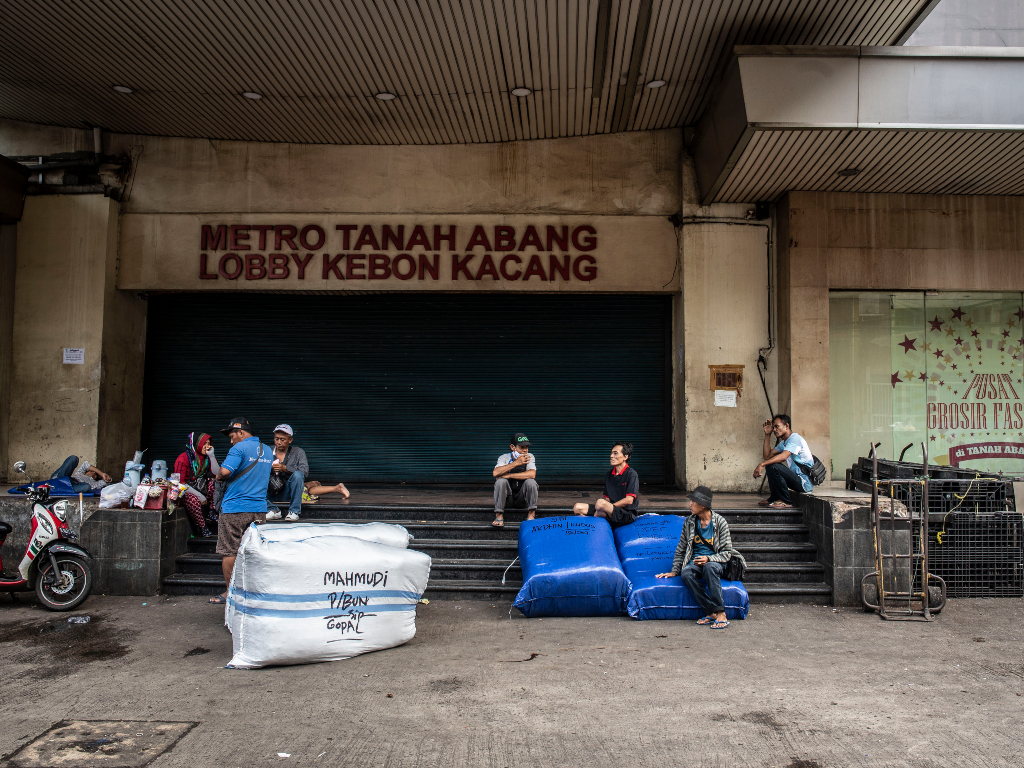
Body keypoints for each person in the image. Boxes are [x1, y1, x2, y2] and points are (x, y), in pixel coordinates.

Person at [204, 417, 273, 605]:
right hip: (258, 510)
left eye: (232, 435)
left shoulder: (239, 448)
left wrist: (218, 476)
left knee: (229, 551)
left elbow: (225, 472)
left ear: (241, 432)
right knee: (252, 551)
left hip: (235, 509)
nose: (230, 440)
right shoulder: (267, 450)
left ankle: (230, 593)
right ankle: (252, 593)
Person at [656, 486, 744, 630]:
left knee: (709, 567)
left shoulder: (720, 522)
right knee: (687, 573)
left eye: (693, 501)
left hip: (716, 562)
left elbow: (727, 553)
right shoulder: (690, 522)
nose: (690, 504)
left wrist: (709, 559)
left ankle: (721, 612)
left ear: (703, 505)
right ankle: (711, 612)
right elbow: (681, 548)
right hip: (696, 562)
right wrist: (675, 570)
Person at [265, 424, 350, 521]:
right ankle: (273, 510)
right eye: (276, 439)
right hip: (269, 492)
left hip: (288, 491)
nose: (278, 442)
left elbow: (304, 472)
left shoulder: (298, 452)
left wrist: (284, 468)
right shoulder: (267, 451)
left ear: (290, 440)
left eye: (282, 439)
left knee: (298, 474)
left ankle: (294, 511)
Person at [572, 441, 639, 528]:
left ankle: (600, 522)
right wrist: (605, 506)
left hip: (626, 514)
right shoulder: (609, 475)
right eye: (611, 453)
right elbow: (607, 499)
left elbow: (629, 500)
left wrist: (606, 506)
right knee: (578, 507)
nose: (611, 456)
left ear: (625, 457)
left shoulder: (631, 474)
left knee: (600, 504)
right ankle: (588, 528)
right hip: (609, 509)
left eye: (615, 453)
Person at [753, 414, 814, 508]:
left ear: (786, 426)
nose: (774, 430)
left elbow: (783, 457)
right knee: (771, 464)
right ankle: (774, 497)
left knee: (774, 466)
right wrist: (767, 435)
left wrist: (761, 464)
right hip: (797, 479)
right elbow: (767, 455)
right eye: (773, 427)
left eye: (776, 426)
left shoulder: (795, 439)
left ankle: (786, 501)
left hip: (804, 483)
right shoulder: (784, 443)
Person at [173, 432, 218, 537]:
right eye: (204, 443)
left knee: (217, 482)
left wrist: (212, 456)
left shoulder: (206, 458)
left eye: (208, 443)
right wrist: (199, 496)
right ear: (196, 444)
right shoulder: (183, 458)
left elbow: (216, 474)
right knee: (193, 499)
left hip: (200, 487)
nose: (207, 446)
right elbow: (179, 483)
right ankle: (202, 527)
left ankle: (212, 511)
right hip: (185, 491)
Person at [492, 433, 538, 527]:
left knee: (531, 482)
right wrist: (516, 463)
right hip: (507, 499)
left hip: (522, 498)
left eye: (527, 447)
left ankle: (531, 514)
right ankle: (499, 515)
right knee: (500, 481)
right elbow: (496, 473)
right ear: (513, 447)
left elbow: (532, 474)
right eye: (522, 447)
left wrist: (509, 475)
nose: (525, 450)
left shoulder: (529, 456)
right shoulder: (504, 458)